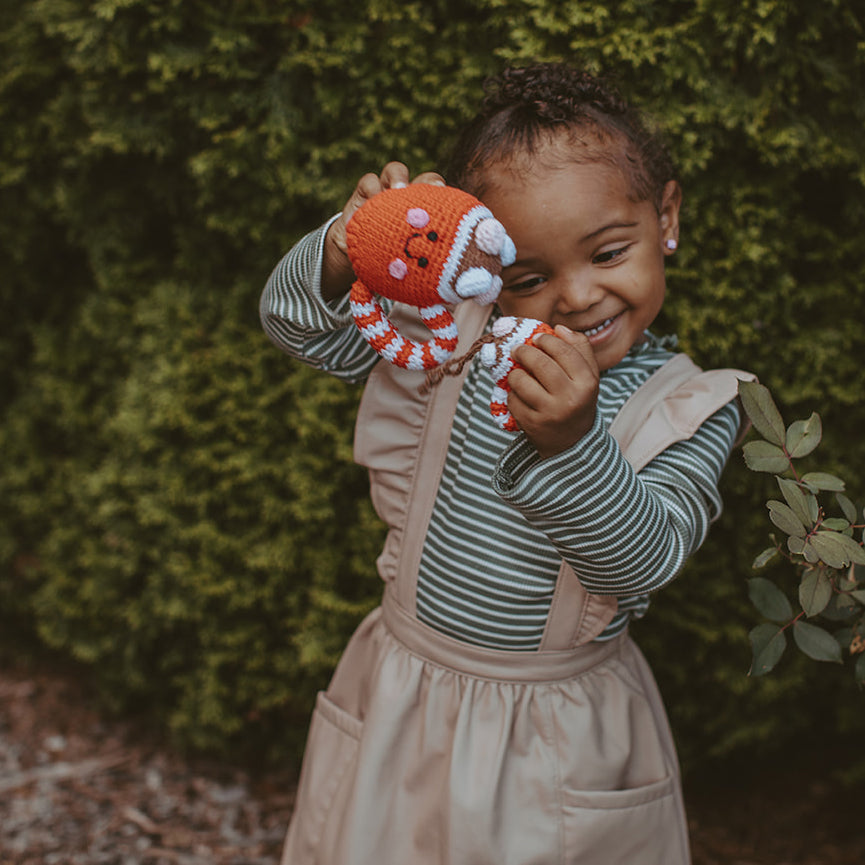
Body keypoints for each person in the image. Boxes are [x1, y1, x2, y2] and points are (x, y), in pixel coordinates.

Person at [260, 62, 752, 865]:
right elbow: (297, 327)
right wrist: (345, 249)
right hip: (403, 691)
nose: (577, 295)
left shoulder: (685, 405)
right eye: (527, 277)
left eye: (608, 251)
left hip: (554, 737)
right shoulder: (447, 339)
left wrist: (574, 442)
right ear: (482, 264)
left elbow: (646, 559)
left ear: (665, 216)